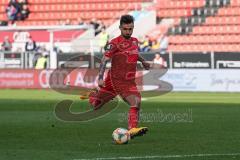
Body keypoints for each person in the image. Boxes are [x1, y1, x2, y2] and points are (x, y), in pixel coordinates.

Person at [87, 14, 150, 139]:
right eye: (125, 29)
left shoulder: (135, 41)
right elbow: (104, 60)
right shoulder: (114, 43)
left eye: (130, 29)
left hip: (128, 82)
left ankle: (132, 129)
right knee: (96, 106)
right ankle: (93, 95)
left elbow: (135, 54)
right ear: (120, 28)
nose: (128, 31)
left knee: (136, 102)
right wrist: (100, 78)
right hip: (113, 81)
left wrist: (143, 61)